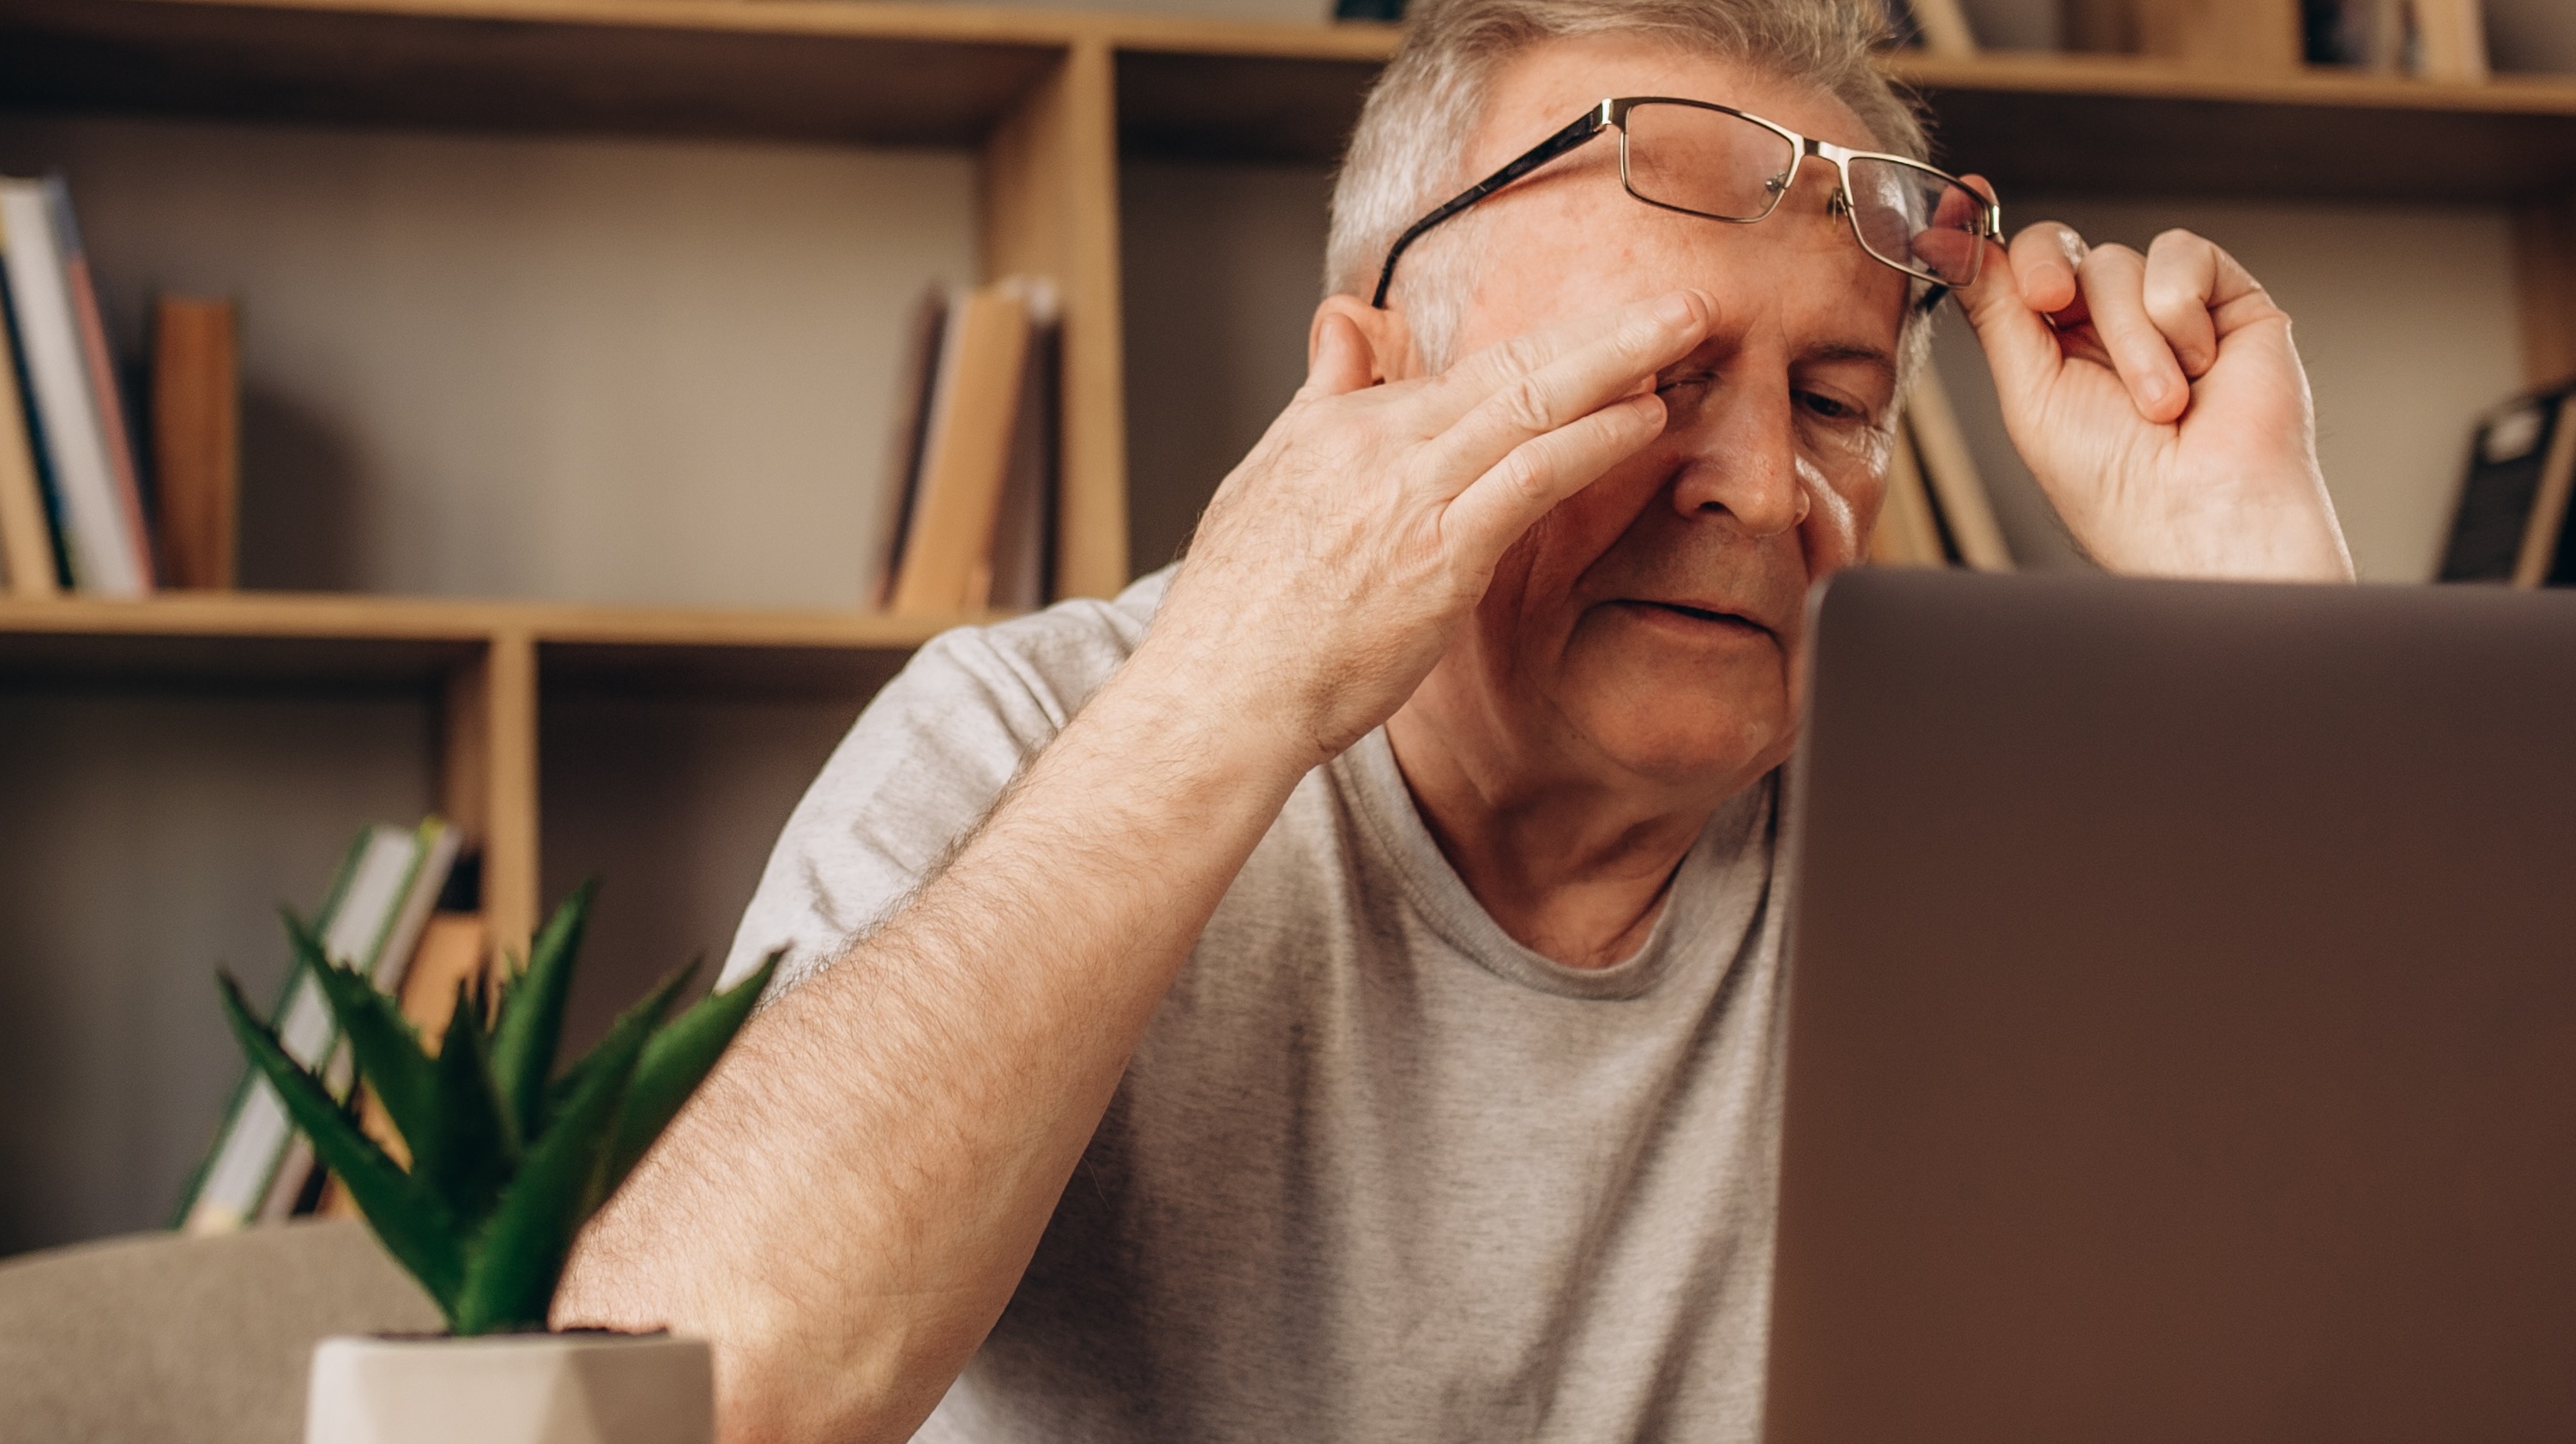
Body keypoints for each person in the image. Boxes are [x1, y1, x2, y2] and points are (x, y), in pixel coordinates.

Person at [555, 0, 2351, 1437]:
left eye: (1831, 394)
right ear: (1367, 389)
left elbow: (2439, 1310)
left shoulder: (1972, 838)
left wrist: (2267, 612)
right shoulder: (1025, 730)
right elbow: (686, 1403)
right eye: (1650, 377)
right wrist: (1240, 673)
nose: (1753, 482)